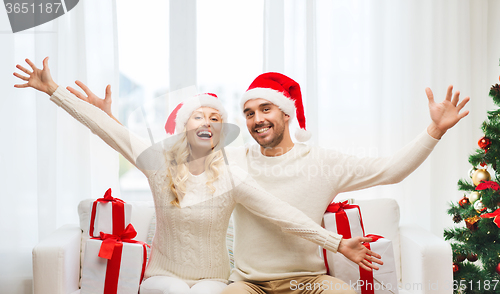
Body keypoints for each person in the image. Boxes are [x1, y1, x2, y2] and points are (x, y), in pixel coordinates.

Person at [14, 58, 382, 294]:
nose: (207, 122)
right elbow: (111, 133)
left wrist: (336, 243)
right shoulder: (157, 162)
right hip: (164, 276)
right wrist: (54, 90)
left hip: (214, 279)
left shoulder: (233, 174)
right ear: (181, 127)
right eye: (198, 116)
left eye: (216, 118)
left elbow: (280, 213)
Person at [218, 72, 470, 294]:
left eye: (265, 109)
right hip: (249, 284)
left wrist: (435, 130)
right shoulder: (235, 161)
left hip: (307, 281)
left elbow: (390, 170)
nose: (256, 119)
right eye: (249, 114)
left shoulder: (321, 163)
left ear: (286, 114)